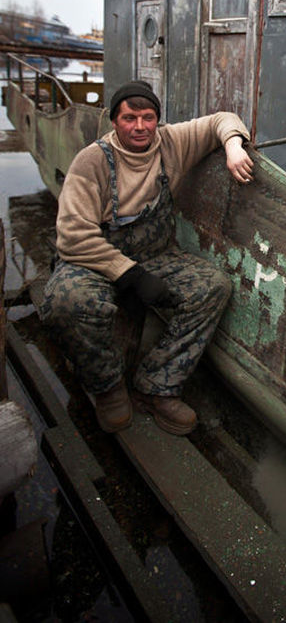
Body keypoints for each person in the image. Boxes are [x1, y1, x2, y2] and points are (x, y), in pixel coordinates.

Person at [41, 80, 254, 436]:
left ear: (157, 119)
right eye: (129, 118)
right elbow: (73, 237)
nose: (139, 127)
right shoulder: (91, 161)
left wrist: (233, 147)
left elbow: (223, 119)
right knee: (66, 302)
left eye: (148, 117)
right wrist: (131, 276)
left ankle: (157, 385)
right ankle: (107, 387)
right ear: (114, 121)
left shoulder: (172, 141)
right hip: (94, 258)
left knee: (213, 287)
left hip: (154, 254)